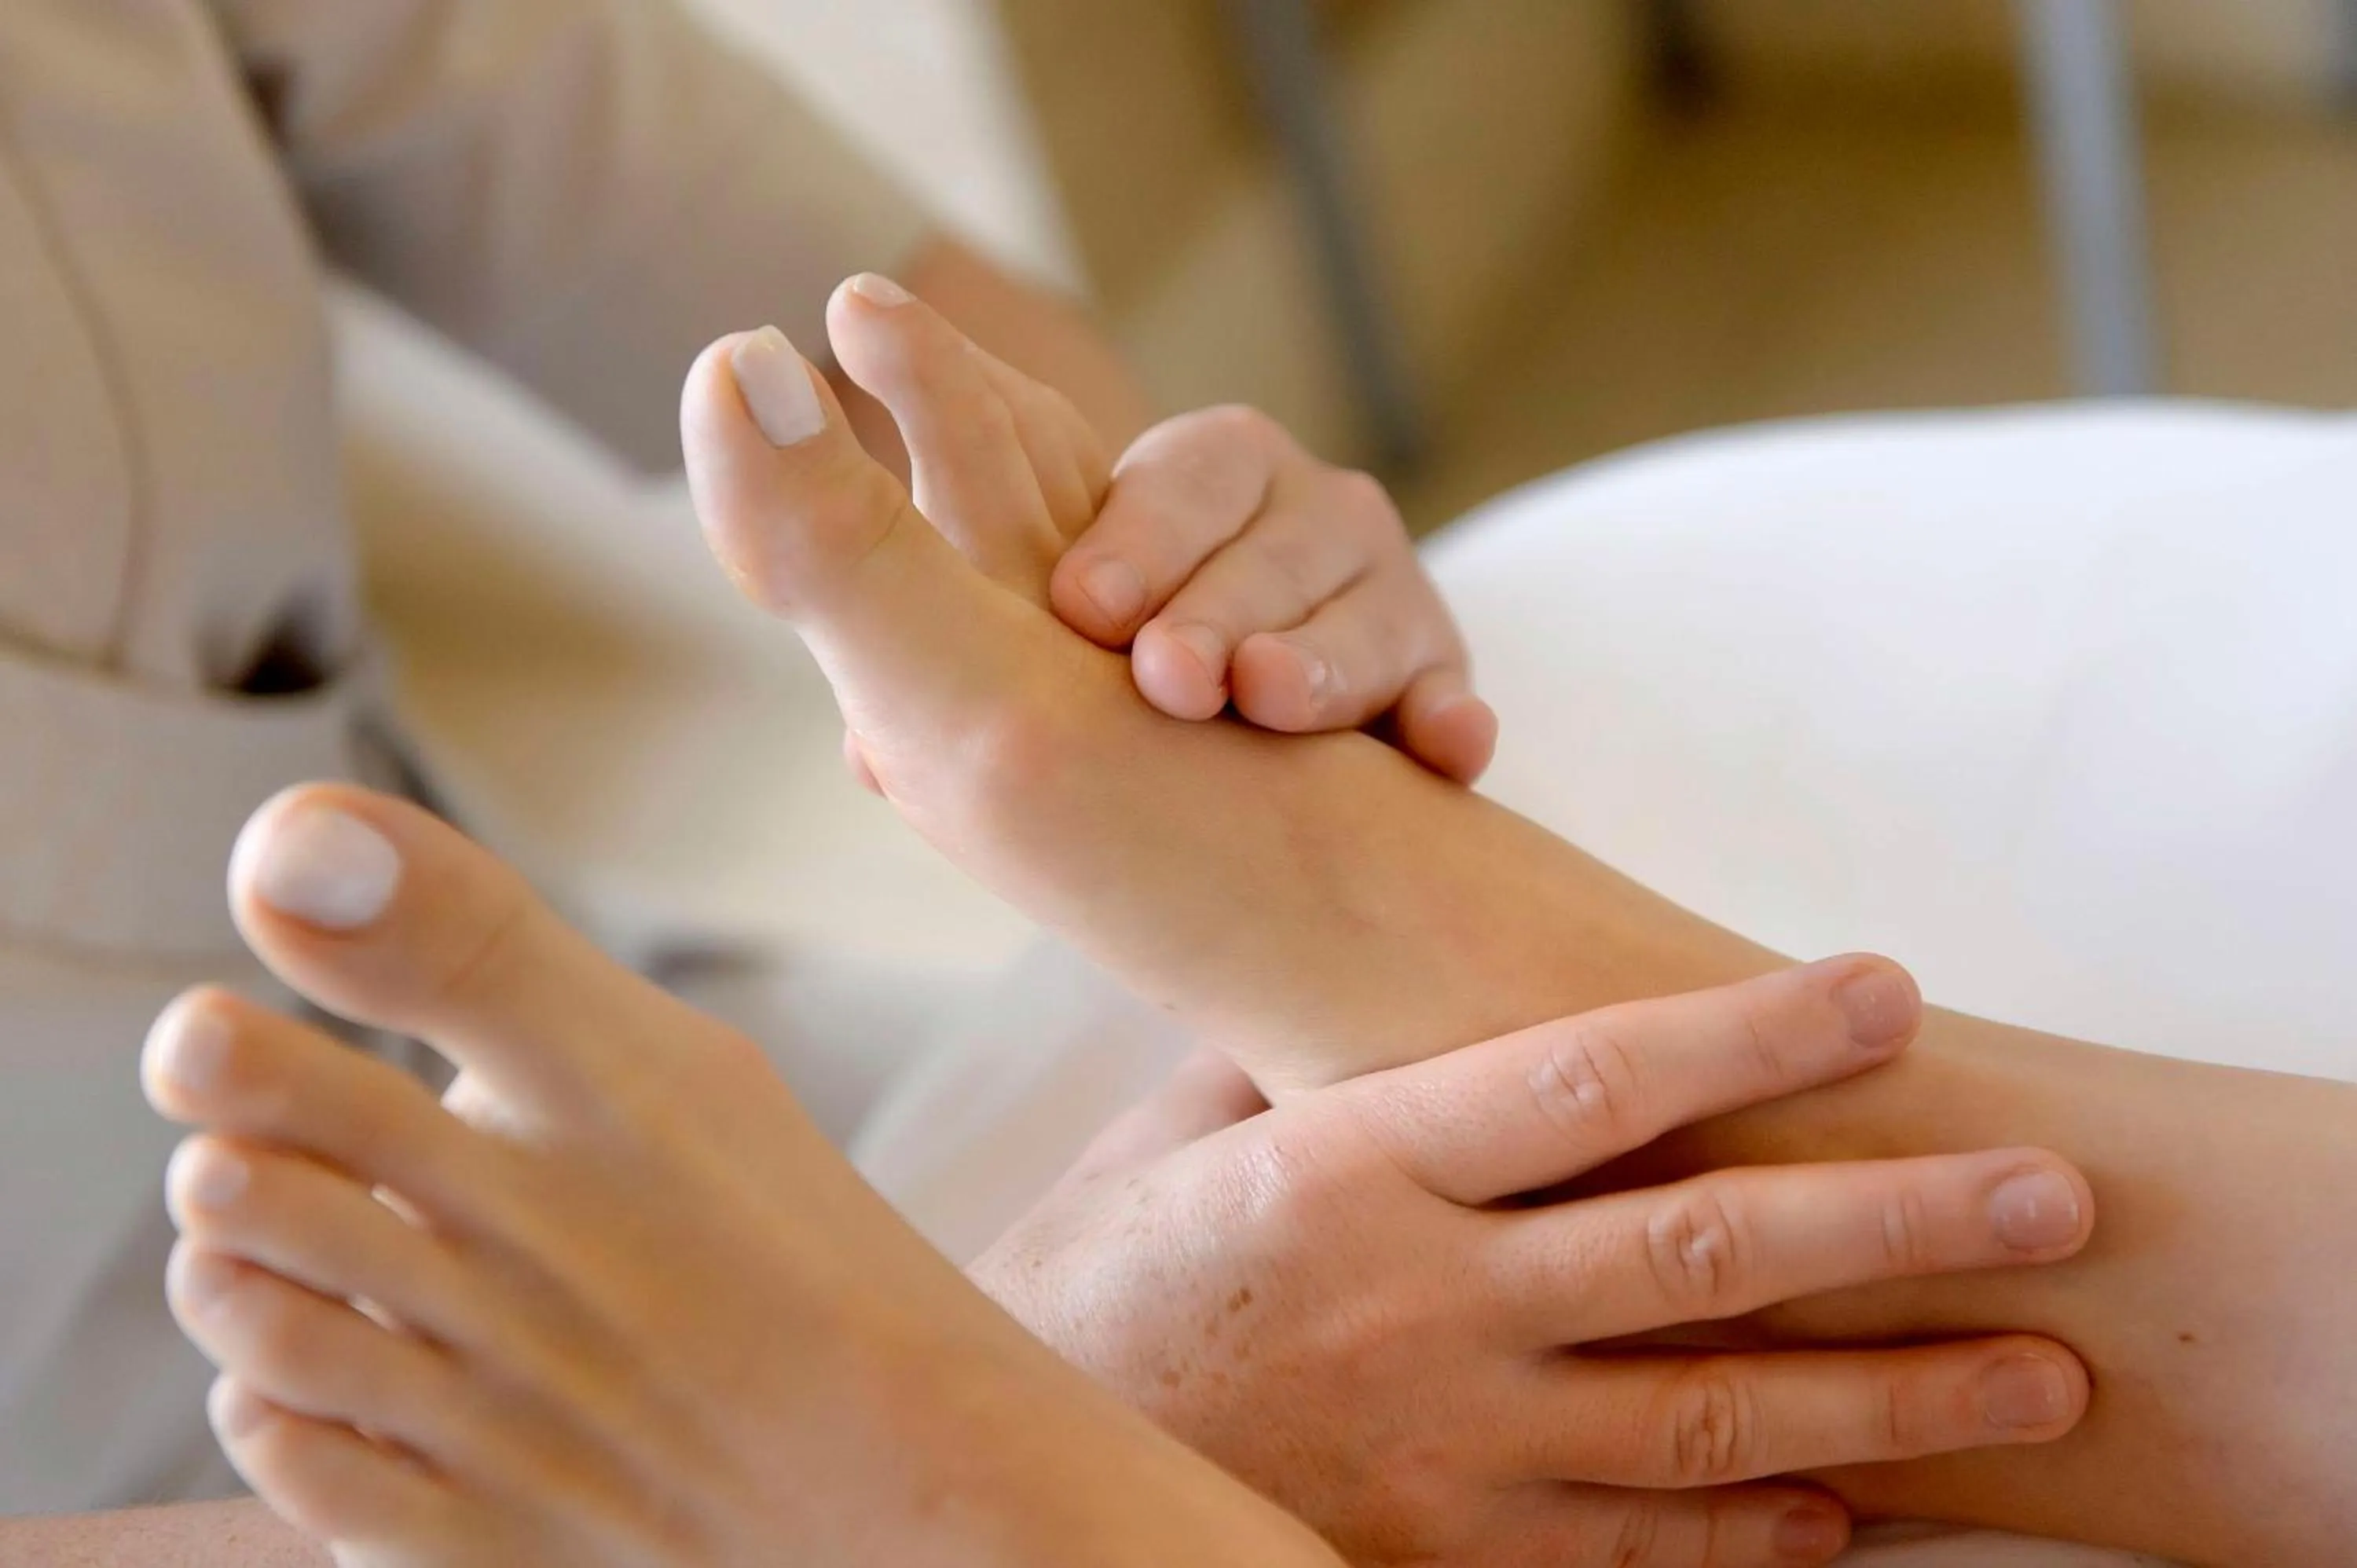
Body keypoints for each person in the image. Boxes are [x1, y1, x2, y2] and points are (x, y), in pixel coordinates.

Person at [0, 0, 1479, 1537]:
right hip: (187, 1489)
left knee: (1498, 1229)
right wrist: (953, 1453)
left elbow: (726, 235)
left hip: (629, 1079)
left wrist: (1178, 555)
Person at [654, 291, 2354, 1566]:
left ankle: (1600, 1066)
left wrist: (1186, 569)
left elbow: (919, 327)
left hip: (689, 1058)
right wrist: (1004, 1454)